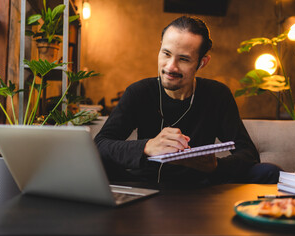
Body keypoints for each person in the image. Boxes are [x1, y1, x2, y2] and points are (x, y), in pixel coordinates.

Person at [95, 16, 281, 186]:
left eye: (183, 59)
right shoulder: (139, 92)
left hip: (201, 186)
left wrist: (215, 166)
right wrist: (146, 146)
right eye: (166, 54)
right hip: (146, 183)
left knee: (268, 172)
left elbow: (248, 154)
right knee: (98, 163)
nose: (171, 67)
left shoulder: (217, 94)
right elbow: (100, 144)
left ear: (202, 62)